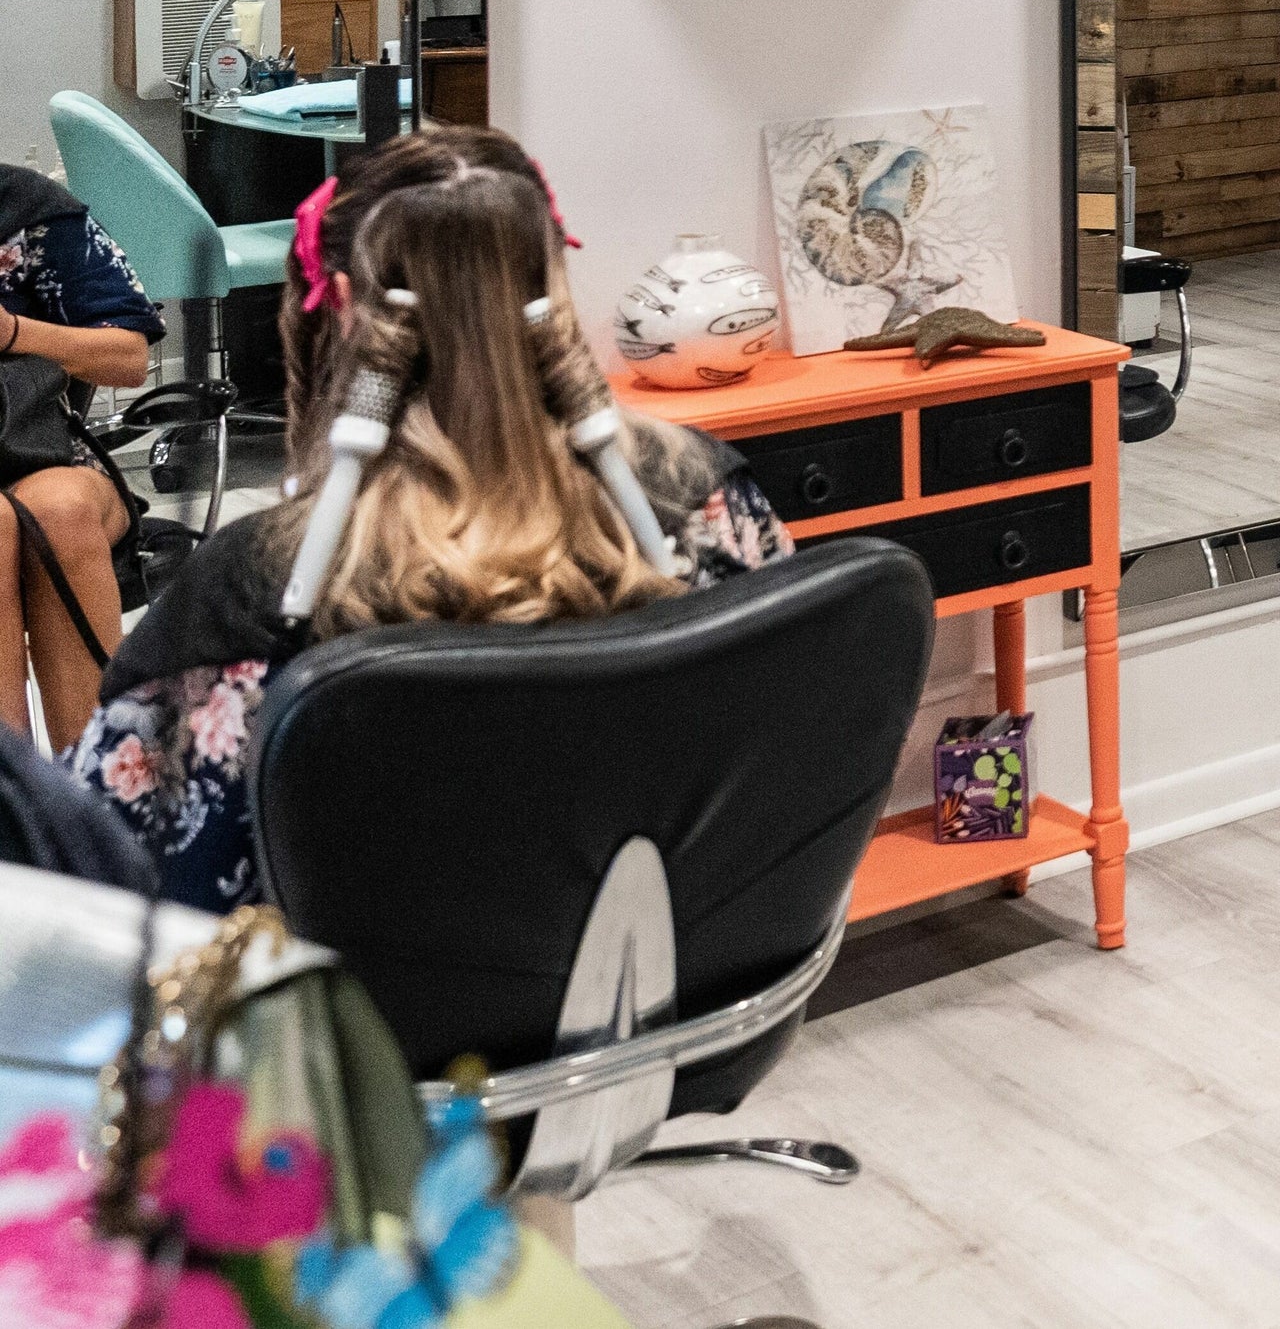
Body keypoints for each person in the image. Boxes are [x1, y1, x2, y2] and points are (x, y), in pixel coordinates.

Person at [70, 126, 791, 910]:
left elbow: (115, 894)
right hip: (669, 1003)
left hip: (370, 1033)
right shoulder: (712, 505)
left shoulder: (257, 599)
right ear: (550, 279)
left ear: (342, 306)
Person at [0, 163, 159, 748]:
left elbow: (128, 356)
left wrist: (14, 333)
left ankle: (95, 792)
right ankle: (16, 810)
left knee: (60, 512)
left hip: (43, 449)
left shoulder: (30, 210)